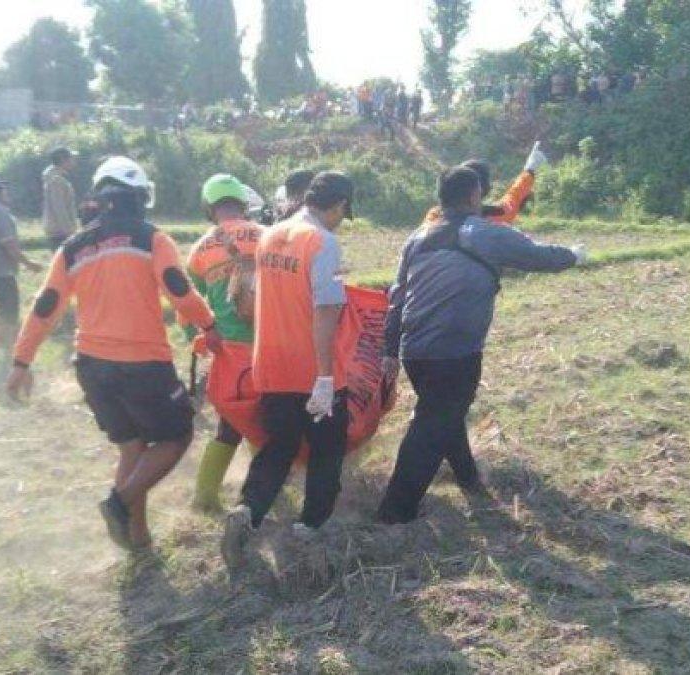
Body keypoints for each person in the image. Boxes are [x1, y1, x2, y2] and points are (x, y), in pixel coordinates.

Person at [6, 157, 222, 552]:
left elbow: (45, 306)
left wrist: (22, 361)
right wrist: (209, 325)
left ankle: (138, 540)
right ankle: (119, 503)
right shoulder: (151, 239)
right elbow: (179, 290)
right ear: (139, 197)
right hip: (143, 365)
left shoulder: (72, 248)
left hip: (91, 366)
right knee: (177, 436)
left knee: (132, 449)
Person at [377, 167, 587, 524]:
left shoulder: (417, 237)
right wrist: (574, 255)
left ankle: (467, 477)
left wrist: (389, 349)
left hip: (415, 350)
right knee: (431, 426)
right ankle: (395, 512)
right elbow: (536, 255)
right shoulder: (481, 232)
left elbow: (397, 298)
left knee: (445, 411)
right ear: (474, 195)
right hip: (454, 352)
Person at [222, 172, 356, 572]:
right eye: (343, 213)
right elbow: (326, 310)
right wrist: (326, 377)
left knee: (278, 447)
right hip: (312, 369)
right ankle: (309, 526)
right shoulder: (323, 242)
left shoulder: (270, 235)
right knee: (327, 450)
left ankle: (248, 510)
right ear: (339, 205)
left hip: (270, 365)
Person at [186, 175, 267, 512]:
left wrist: (196, 338)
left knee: (232, 423)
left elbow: (188, 304)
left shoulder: (199, 250)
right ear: (243, 203)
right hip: (271, 348)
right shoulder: (268, 236)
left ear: (210, 208)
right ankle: (265, 489)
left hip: (229, 353)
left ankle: (205, 497)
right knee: (267, 420)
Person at [424, 143, 549, 227]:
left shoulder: (434, 216)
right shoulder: (490, 217)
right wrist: (529, 169)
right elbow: (512, 200)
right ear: (478, 191)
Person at [0, 178, 43, 329]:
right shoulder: (0, 212)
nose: (6, 193)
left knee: (5, 312)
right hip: (1, 272)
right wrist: (29, 263)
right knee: (9, 314)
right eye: (3, 190)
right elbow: (9, 244)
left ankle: (4, 341)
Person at [42, 148, 79, 251]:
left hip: (59, 232)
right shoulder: (56, 181)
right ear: (63, 160)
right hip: (60, 233)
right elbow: (59, 208)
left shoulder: (55, 179)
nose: (73, 161)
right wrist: (70, 232)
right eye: (71, 158)